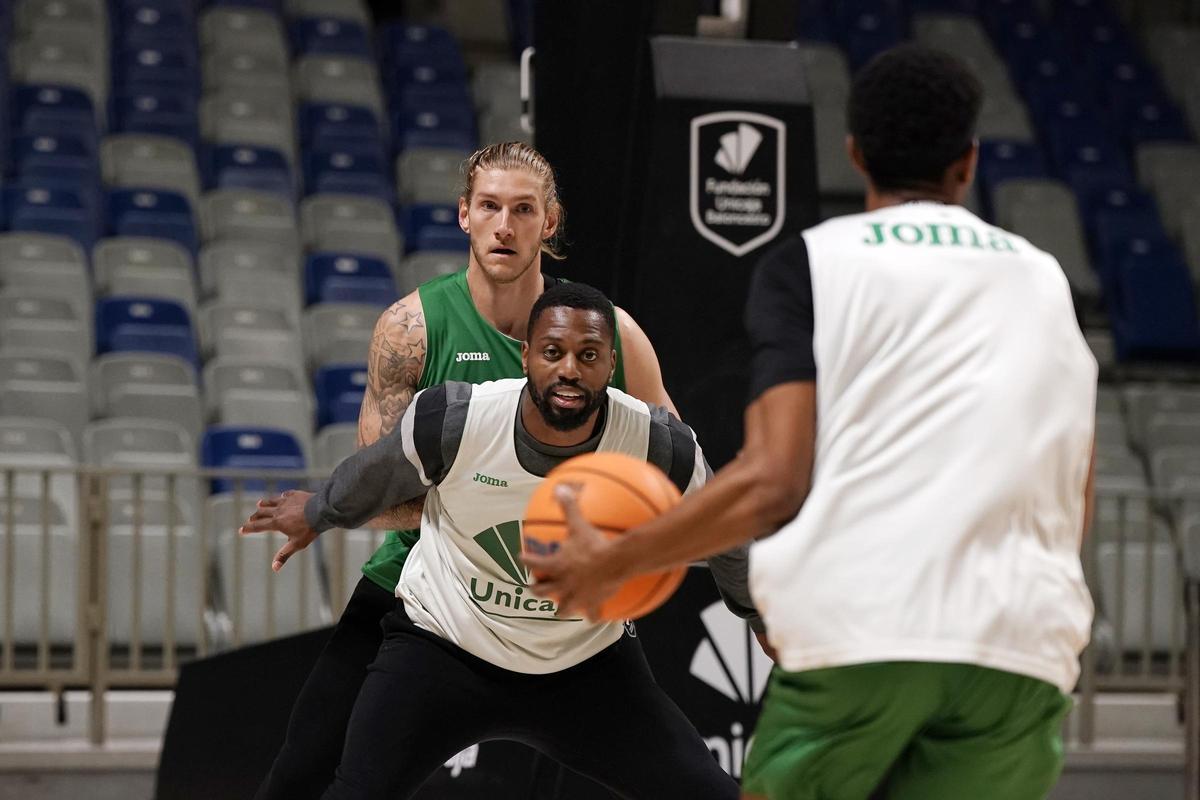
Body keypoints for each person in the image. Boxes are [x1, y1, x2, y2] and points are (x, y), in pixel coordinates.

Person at [526, 44, 1098, 800]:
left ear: (855, 155)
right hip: (1021, 648)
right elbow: (1076, 485)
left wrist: (623, 556)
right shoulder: (1044, 276)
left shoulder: (815, 263)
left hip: (866, 632)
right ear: (968, 162)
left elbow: (775, 478)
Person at [254, 142, 763, 799]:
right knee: (302, 769)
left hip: (568, 606)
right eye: (489, 206)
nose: (505, 225)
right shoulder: (411, 329)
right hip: (427, 590)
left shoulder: (613, 335)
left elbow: (679, 487)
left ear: (549, 222)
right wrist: (523, 507)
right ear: (464, 215)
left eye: (523, 209)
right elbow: (378, 494)